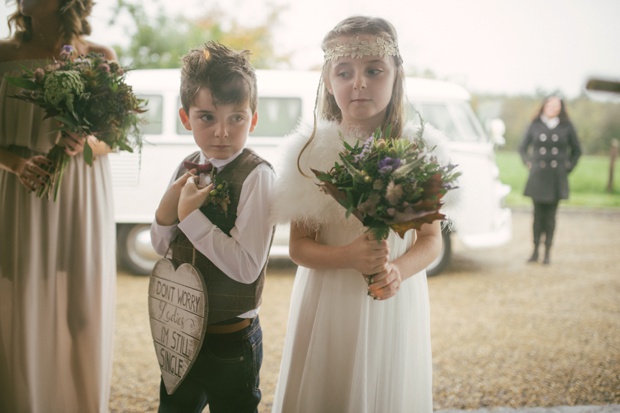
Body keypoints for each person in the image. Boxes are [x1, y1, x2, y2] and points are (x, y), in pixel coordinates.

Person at [270, 16, 447, 413]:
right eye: (344, 72)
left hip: (394, 298)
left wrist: (399, 269)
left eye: (373, 70)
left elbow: (431, 240)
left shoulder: (421, 149)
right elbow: (299, 247)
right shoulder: (310, 152)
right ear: (329, 82)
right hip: (329, 300)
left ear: (395, 74)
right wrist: (348, 257)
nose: (359, 83)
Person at [0, 1, 117, 412]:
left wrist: (87, 142)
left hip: (80, 189)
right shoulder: (2, 54)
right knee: (17, 298)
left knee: (82, 304)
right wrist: (15, 163)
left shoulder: (99, 57)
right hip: (21, 188)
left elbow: (113, 138)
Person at [150, 41, 275, 413]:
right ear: (186, 118)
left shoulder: (257, 176)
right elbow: (160, 248)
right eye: (207, 117)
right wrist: (165, 212)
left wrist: (191, 218)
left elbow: (247, 267)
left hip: (230, 341)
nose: (222, 132)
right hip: (180, 330)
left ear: (253, 119)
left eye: (236, 117)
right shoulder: (187, 165)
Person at [519, 95, 581, 265]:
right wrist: (528, 162)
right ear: (544, 106)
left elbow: (577, 150)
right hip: (538, 177)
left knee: (551, 217)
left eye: (557, 105)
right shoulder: (535, 124)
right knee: (537, 216)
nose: (553, 107)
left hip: (556, 178)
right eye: (550, 104)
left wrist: (567, 167)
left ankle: (547, 251)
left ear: (561, 108)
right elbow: (522, 148)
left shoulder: (566, 126)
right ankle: (535, 250)